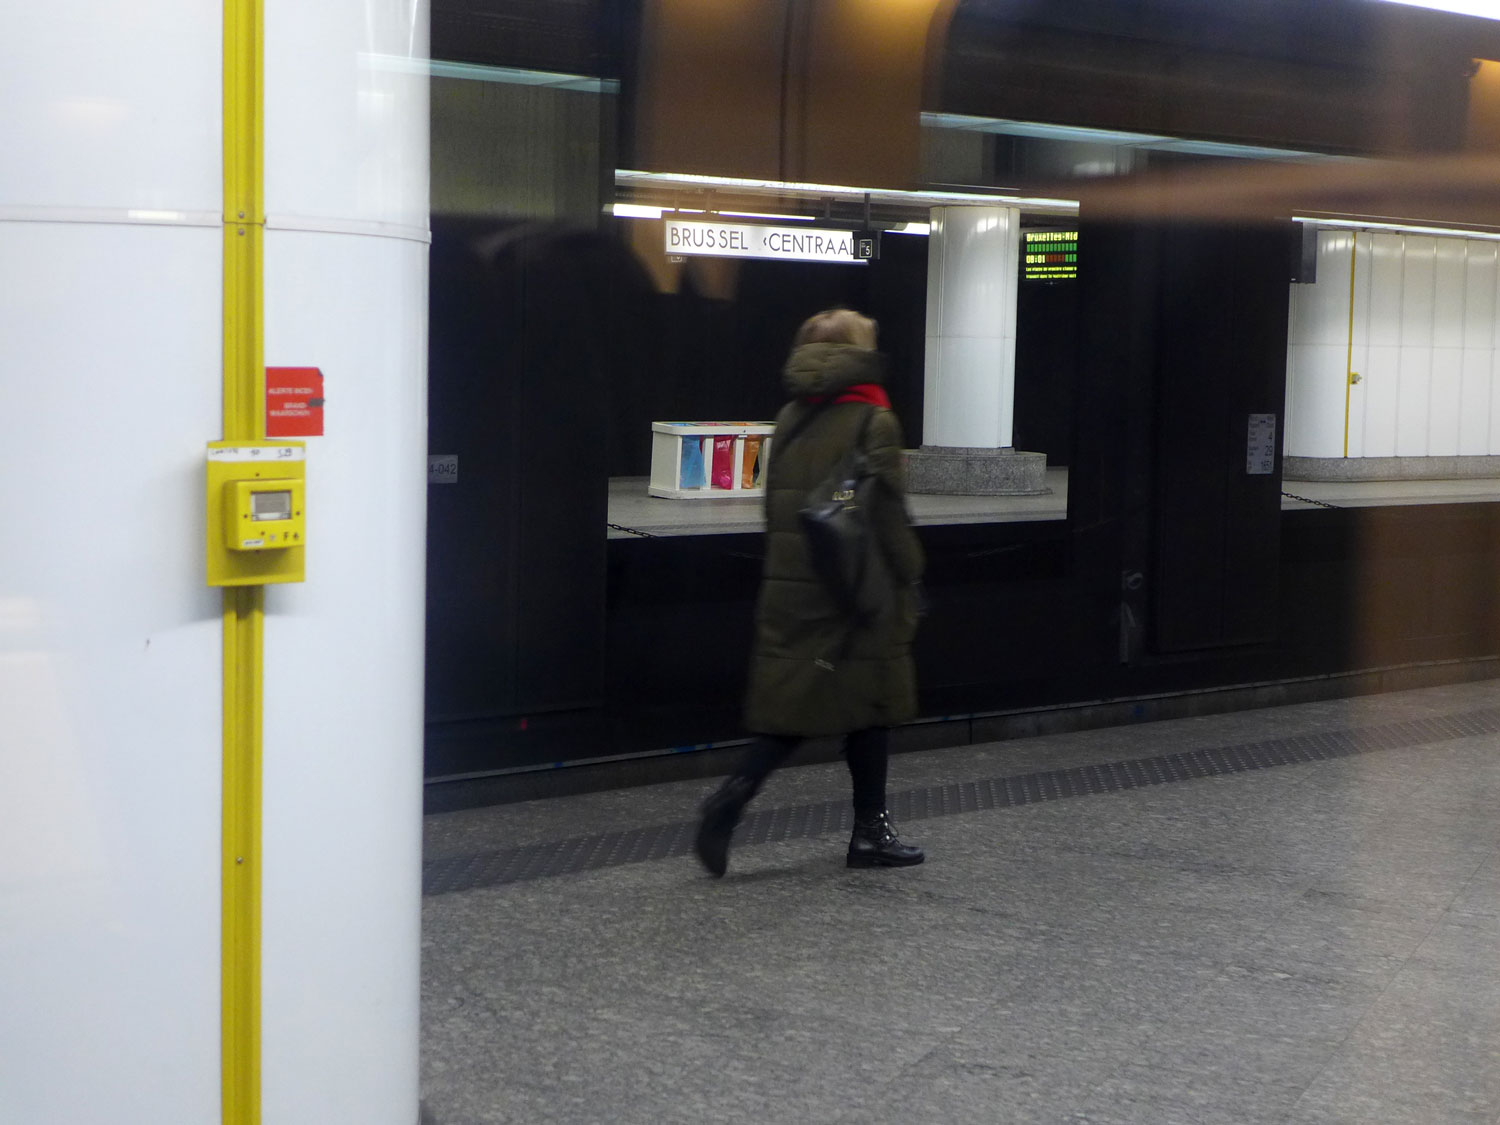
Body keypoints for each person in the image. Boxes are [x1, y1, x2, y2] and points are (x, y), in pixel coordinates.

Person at [695, 308, 926, 877]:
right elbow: (889, 519)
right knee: (870, 706)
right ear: (858, 352)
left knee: (792, 709)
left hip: (792, 586)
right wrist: (910, 576)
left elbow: (777, 510)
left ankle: (737, 791)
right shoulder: (874, 419)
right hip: (853, 592)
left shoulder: (790, 415)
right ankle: (871, 832)